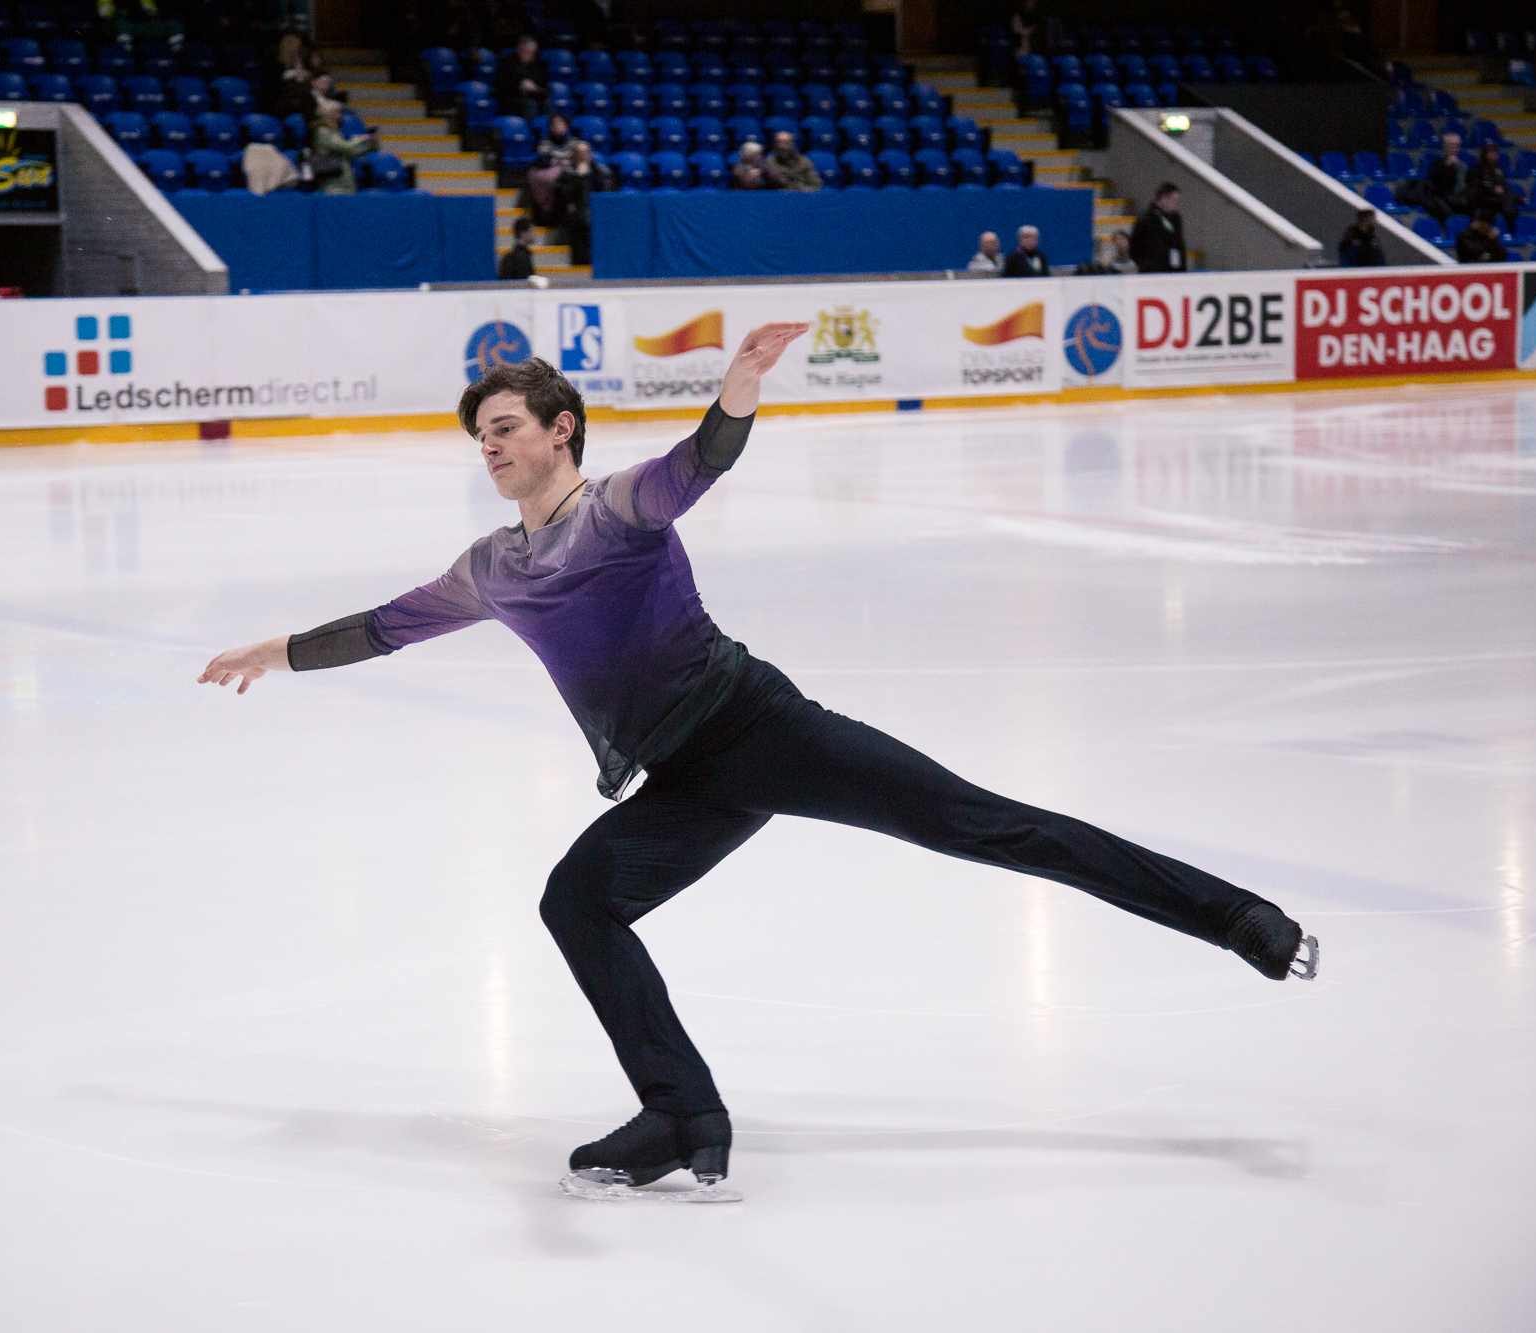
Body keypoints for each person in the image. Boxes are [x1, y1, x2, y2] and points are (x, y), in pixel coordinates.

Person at [197, 332, 1321, 1195]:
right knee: (577, 902)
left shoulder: (616, 513)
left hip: (759, 729)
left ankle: (1242, 921)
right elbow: (387, 626)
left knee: (987, 825)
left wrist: (735, 388)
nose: (488, 447)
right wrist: (278, 653)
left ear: (561, 429)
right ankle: (680, 1114)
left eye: (503, 427)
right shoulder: (492, 566)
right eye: (478, 435)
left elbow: (696, 465)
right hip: (685, 782)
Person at [557, 139, 615, 265]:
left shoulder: (600, 172)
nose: (583, 155)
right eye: (579, 152)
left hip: (597, 220)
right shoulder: (567, 174)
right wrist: (579, 177)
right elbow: (566, 196)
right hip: (576, 224)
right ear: (574, 155)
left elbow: (604, 192)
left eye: (586, 152)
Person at [307, 102, 374, 194]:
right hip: (332, 182)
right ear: (328, 114)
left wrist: (368, 146)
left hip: (344, 180)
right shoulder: (322, 131)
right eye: (336, 112)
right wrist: (360, 139)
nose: (339, 115)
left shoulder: (334, 131)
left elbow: (350, 152)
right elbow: (343, 146)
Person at [524, 113, 578, 225]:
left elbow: (577, 161)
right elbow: (543, 161)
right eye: (555, 124)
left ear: (566, 126)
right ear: (550, 128)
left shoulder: (574, 143)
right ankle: (549, 210)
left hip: (572, 176)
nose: (558, 126)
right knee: (536, 174)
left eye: (561, 124)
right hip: (554, 178)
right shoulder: (545, 143)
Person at [1130, 182, 1188, 272]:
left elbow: (1178, 243)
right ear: (1164, 198)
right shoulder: (1146, 219)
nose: (1176, 205)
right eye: (1174, 201)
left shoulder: (1176, 218)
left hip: (1173, 268)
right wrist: (1146, 264)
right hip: (1152, 269)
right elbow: (1135, 245)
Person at [494, 34, 550, 119]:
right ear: (519, 48)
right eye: (525, 51)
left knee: (548, 103)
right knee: (530, 105)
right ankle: (528, 130)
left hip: (536, 96)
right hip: (513, 98)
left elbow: (546, 85)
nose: (529, 55)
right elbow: (500, 83)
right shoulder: (507, 62)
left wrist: (535, 87)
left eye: (532, 53)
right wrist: (520, 85)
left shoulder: (539, 64)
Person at [1465, 142, 1519, 226]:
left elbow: (1503, 184)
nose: (1494, 154)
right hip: (1484, 198)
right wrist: (1492, 189)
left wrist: (1500, 190)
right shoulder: (1478, 168)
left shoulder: (1499, 169)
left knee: (1510, 195)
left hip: (1498, 197)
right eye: (1491, 152)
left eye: (1495, 152)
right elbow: (1475, 187)